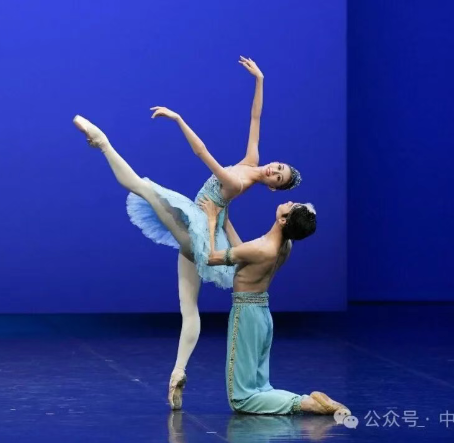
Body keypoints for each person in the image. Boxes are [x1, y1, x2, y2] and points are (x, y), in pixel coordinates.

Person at [73, 57, 303, 410]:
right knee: (189, 309)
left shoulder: (237, 182)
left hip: (198, 229)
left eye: (278, 177)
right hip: (200, 233)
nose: (274, 170)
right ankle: (178, 373)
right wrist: (260, 80)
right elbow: (255, 118)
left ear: (273, 188)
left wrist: (178, 119)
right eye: (279, 167)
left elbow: (202, 153)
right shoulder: (251, 160)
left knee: (142, 187)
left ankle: (102, 142)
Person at [199, 197, 351, 416]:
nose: (289, 201)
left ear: (283, 220)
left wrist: (212, 219)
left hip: (246, 314)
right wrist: (226, 222)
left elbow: (212, 258)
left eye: (292, 206)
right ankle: (306, 401)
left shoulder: (263, 248)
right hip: (262, 314)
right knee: (261, 387)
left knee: (241, 398)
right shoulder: (283, 245)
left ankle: (306, 403)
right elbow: (244, 253)